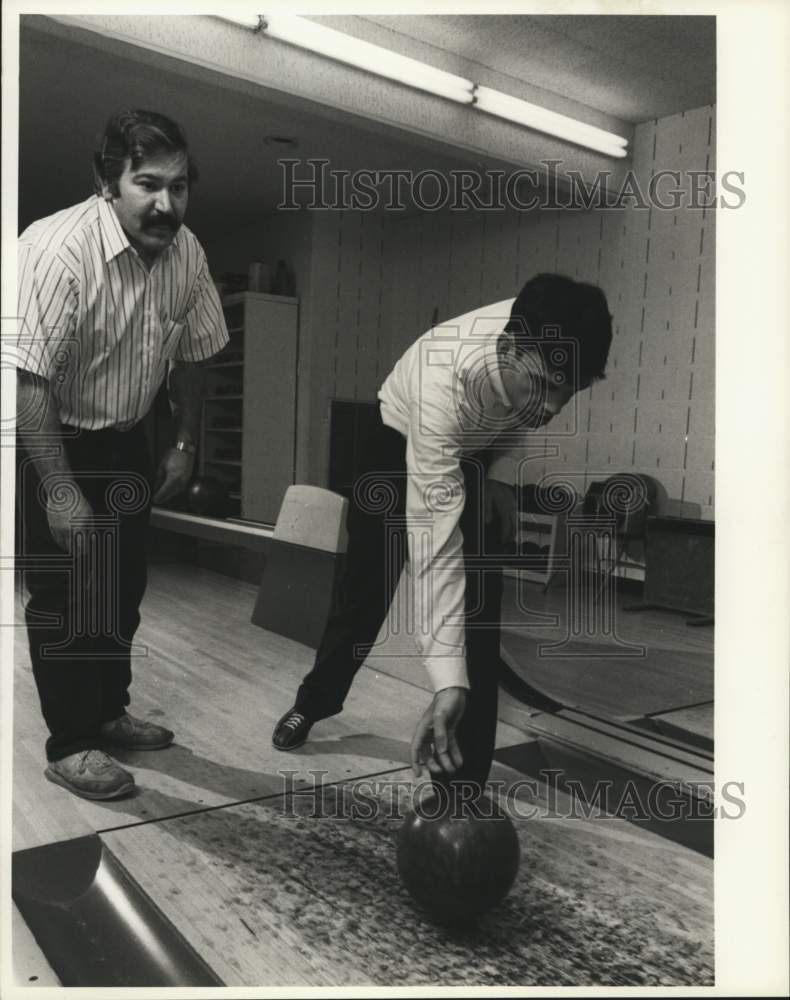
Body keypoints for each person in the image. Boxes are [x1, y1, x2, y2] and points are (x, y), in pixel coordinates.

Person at [272, 273, 612, 794]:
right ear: (507, 346)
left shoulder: (548, 336)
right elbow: (435, 547)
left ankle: (463, 779)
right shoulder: (445, 379)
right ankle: (313, 702)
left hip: (470, 448)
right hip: (398, 436)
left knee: (480, 601)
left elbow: (523, 413)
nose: (551, 409)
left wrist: (493, 474)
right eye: (544, 387)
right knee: (366, 591)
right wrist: (446, 679)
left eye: (568, 393)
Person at [15, 109, 229, 800]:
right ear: (107, 182)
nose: (165, 203)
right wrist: (58, 488)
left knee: (120, 588)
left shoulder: (187, 252)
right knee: (64, 597)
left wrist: (184, 442)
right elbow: (29, 380)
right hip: (58, 438)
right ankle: (71, 744)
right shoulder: (54, 251)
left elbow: (195, 352)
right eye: (146, 183)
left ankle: (108, 712)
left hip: (131, 437)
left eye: (178, 185)